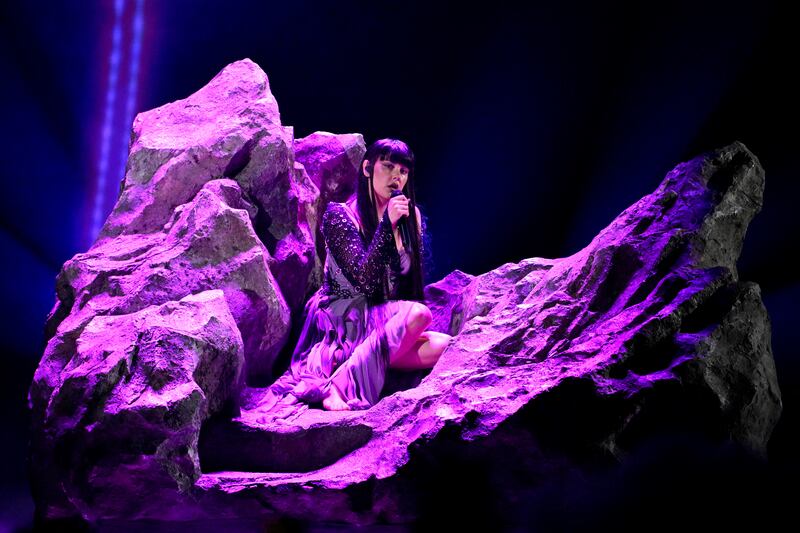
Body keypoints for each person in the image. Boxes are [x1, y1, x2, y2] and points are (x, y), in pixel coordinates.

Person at [255, 138, 453, 416]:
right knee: (420, 315)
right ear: (368, 169)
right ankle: (340, 383)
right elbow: (363, 281)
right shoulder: (340, 215)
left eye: (404, 171)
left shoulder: (411, 217)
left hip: (380, 318)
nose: (396, 177)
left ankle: (359, 363)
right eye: (388, 167)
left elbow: (408, 282)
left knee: (447, 346)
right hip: (342, 318)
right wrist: (387, 226)